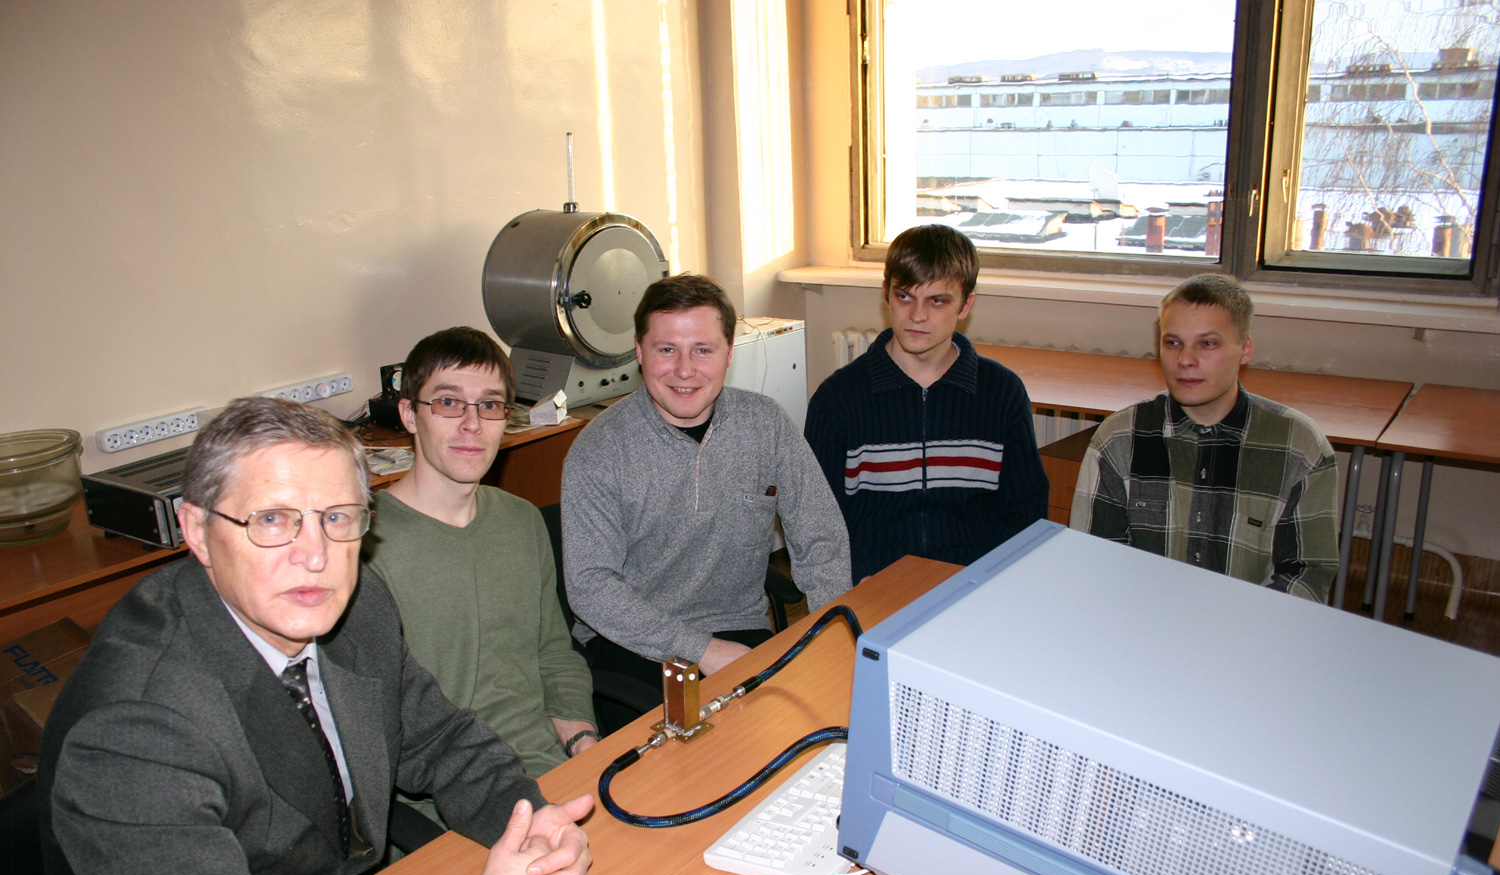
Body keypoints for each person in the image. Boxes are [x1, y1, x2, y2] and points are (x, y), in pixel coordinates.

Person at [38, 397, 593, 875]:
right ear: (197, 531)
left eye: (337, 517)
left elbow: (439, 739)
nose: (316, 555)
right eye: (272, 520)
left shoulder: (354, 605)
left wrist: (528, 821)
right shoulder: (135, 730)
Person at [562, 274, 851, 686]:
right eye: (666, 349)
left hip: (737, 626)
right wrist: (702, 650)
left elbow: (821, 538)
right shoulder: (600, 450)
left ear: (729, 353)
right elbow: (591, 588)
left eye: (703, 350)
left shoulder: (766, 425)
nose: (685, 370)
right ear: (640, 351)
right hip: (630, 639)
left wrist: (831, 634)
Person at [364, 327, 599, 777]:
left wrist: (582, 742)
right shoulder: (366, 550)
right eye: (448, 402)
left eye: (489, 405)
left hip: (550, 768)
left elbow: (553, 653)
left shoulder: (521, 521)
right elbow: (381, 726)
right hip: (452, 793)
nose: (472, 425)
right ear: (410, 414)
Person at [1070, 274, 1339, 603]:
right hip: (1142, 619)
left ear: (1245, 349)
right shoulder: (1118, 439)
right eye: (1173, 343)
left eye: (1207, 343)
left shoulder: (1300, 447)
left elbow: (1305, 575)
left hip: (1251, 625)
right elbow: (1094, 561)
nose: (1185, 360)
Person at [804, 224, 1048, 580]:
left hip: (974, 584)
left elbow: (1025, 512)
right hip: (872, 586)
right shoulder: (837, 399)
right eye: (905, 297)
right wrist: (857, 580)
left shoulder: (1001, 393)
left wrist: (992, 581)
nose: (917, 316)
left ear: (965, 305)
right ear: (886, 295)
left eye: (937, 301)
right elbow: (816, 521)